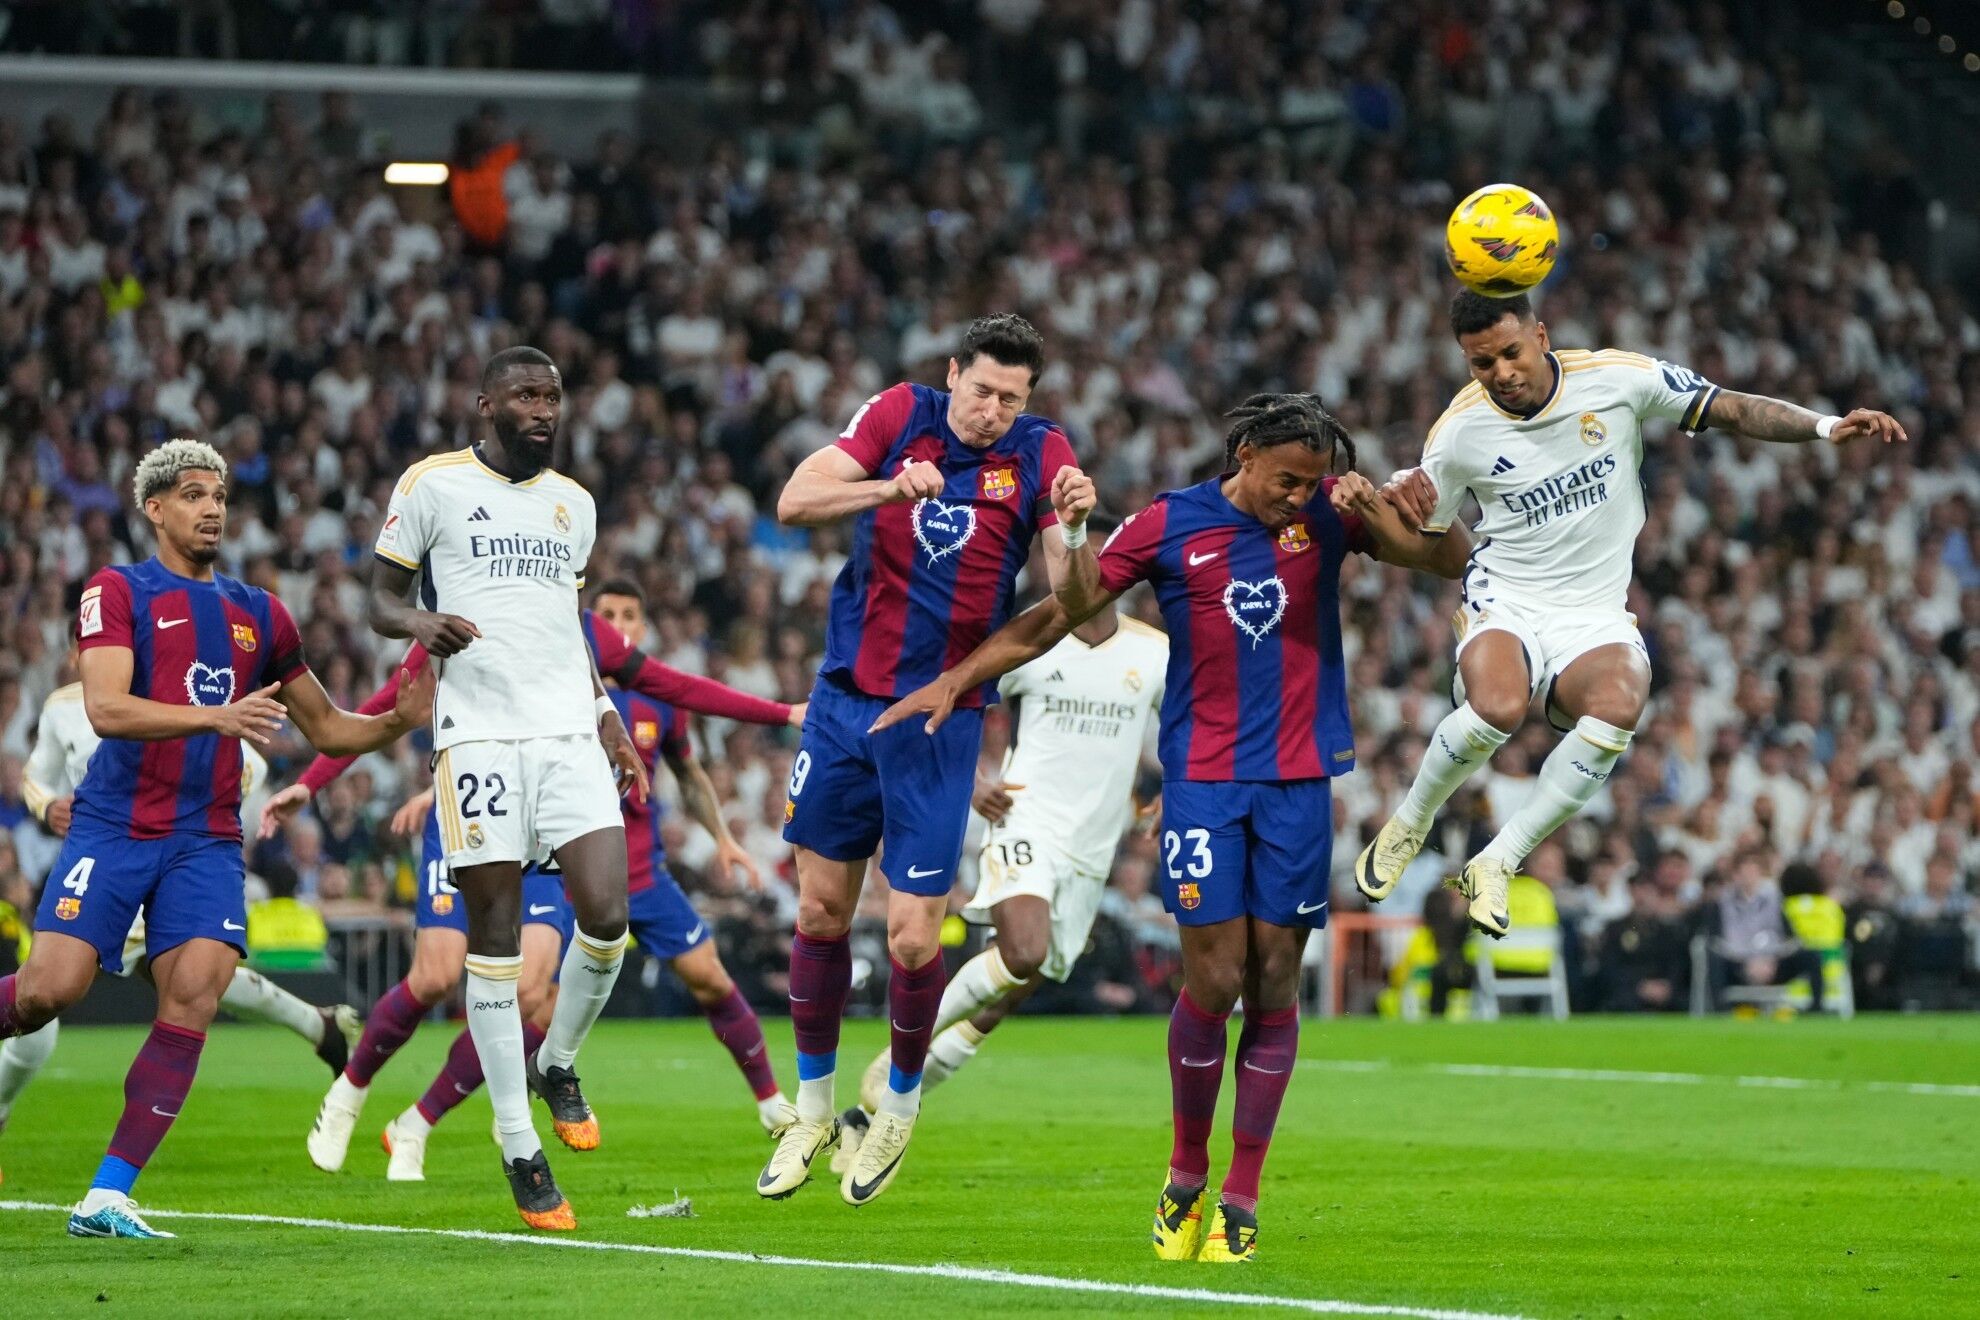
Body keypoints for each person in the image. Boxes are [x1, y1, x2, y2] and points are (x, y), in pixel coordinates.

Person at [873, 394, 1463, 1262]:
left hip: (1301, 782)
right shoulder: (1165, 524)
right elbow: (1060, 615)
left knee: (1273, 983)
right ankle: (1186, 1174)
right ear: (1245, 454)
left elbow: (1447, 557)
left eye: (1311, 481)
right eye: (1285, 479)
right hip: (1204, 782)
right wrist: (959, 679)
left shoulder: (1331, 515)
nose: (1297, 495)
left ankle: (1242, 1194)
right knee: (1215, 980)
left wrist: (1396, 505)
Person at [1361, 290, 1905, 938]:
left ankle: (1498, 862)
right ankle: (1410, 823)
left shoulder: (1618, 379)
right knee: (1499, 706)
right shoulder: (1459, 433)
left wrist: (1822, 426)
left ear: (1541, 334)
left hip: (1594, 611)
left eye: (1510, 352)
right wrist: (1394, 510)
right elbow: (1442, 549)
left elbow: (1727, 406)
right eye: (1482, 363)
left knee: (1621, 703)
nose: (1501, 372)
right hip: (1507, 596)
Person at [0, 438, 432, 1240]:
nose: (211, 510)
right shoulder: (116, 589)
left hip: (203, 839)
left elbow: (327, 726)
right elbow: (105, 708)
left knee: (195, 992)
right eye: (193, 496)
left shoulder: (260, 612)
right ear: (154, 509)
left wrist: (394, 723)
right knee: (45, 993)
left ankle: (107, 1195)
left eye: (220, 497)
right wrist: (216, 717)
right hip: (115, 825)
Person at [276, 604, 800, 1182]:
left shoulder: (576, 625)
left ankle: (471, 1117)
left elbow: (669, 687)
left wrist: (779, 715)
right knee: (434, 976)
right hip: (474, 804)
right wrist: (310, 782)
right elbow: (388, 705)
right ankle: (351, 1092)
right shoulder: (461, 605)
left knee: (533, 991)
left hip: (556, 830)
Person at [763, 313, 1090, 1207]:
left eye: (1010, 398)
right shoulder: (899, 414)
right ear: (954, 374)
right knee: (821, 913)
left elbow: (1073, 605)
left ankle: (900, 1106)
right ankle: (814, 1109)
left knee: (912, 934)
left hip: (943, 724)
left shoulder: (1039, 452)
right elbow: (794, 500)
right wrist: (885, 491)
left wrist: (1074, 530)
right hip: (845, 706)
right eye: (981, 389)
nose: (991, 410)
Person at [363, 345, 648, 1232]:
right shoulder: (432, 484)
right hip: (479, 736)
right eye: (526, 395)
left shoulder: (574, 504)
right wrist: (420, 620)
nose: (543, 409)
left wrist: (606, 715)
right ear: (485, 402)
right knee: (492, 938)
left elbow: (563, 626)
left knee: (607, 917)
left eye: (553, 396)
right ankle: (519, 1144)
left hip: (568, 730)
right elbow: (378, 598)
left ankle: (556, 1059)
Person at [0, 627, 362, 1172]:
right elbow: (37, 775)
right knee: (45, 998)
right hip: (94, 861)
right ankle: (320, 1025)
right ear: (77, 655)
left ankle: (109, 1185)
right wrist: (46, 806)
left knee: (193, 979)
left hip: (165, 863)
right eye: (89, 650)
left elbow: (250, 766)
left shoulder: (170, 696)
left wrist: (205, 816)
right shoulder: (61, 709)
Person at [839, 592, 1167, 1165]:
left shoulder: (1154, 651)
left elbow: (1188, 727)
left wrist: (1177, 796)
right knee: (1024, 949)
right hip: (1024, 819)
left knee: (1015, 988)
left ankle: (875, 1117)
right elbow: (948, 699)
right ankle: (900, 1057)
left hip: (1093, 850)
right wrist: (970, 779)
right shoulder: (1033, 637)